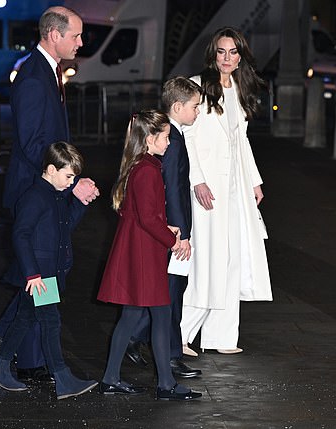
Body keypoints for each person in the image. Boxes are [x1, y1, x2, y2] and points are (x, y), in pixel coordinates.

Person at [0, 6, 99, 384]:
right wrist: (68, 177)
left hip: (48, 186)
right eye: (76, 36)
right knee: (42, 276)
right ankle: (26, 360)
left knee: (44, 276)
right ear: (54, 35)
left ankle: (12, 348)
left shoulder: (46, 71)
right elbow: (34, 144)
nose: (81, 42)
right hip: (37, 189)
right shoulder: (34, 77)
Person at [97, 110, 202, 401]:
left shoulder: (140, 165)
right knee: (157, 314)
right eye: (166, 138)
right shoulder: (147, 169)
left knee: (133, 316)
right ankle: (164, 385)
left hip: (139, 248)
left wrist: (164, 228)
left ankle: (113, 378)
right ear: (150, 138)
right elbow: (147, 218)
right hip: (145, 253)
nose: (169, 143)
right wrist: (174, 240)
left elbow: (142, 214)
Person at [180, 27, 273, 355]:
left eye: (233, 52)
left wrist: (254, 180)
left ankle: (221, 337)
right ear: (213, 53)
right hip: (208, 186)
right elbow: (185, 136)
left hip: (234, 184)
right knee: (207, 260)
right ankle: (181, 334)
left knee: (233, 257)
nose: (227, 58)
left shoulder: (240, 87)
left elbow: (241, 139)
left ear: (241, 55)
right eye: (222, 52)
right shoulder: (196, 85)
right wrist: (196, 180)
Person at [0, 142, 98, 400]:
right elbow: (21, 235)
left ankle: (0, 368)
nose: (72, 182)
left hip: (47, 273)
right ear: (50, 169)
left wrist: (80, 202)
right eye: (68, 176)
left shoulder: (55, 194)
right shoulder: (35, 196)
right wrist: (32, 275)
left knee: (24, 318)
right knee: (50, 321)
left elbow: (65, 225)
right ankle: (63, 378)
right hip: (40, 276)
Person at [126, 77, 204, 378]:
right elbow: (172, 187)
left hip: (170, 227)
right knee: (171, 292)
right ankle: (170, 356)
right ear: (177, 106)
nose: (198, 112)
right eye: (195, 107)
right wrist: (180, 233)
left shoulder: (173, 136)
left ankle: (137, 338)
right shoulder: (172, 140)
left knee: (169, 290)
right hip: (172, 230)